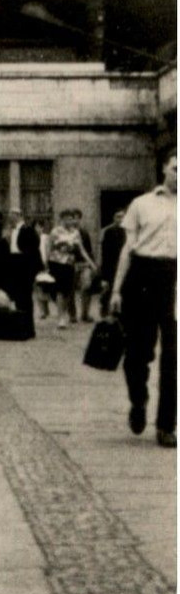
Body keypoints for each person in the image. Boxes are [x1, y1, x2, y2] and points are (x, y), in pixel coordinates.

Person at [110, 153, 177, 448]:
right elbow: (128, 249)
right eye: (176, 168)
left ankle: (166, 425)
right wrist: (116, 290)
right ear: (164, 168)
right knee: (138, 352)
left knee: (173, 355)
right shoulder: (142, 204)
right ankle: (139, 400)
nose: (179, 174)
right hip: (142, 276)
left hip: (174, 276)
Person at [44, 209, 93, 329]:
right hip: (56, 262)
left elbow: (81, 249)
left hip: (70, 263)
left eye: (71, 218)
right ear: (61, 219)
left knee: (67, 291)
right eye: (66, 218)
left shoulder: (75, 232)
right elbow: (49, 246)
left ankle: (63, 313)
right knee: (60, 290)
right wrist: (45, 262)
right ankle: (61, 318)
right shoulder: (56, 231)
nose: (69, 221)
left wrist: (91, 262)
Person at [3, 209, 43, 340]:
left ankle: (28, 328)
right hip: (14, 262)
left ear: (19, 216)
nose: (10, 217)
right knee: (18, 296)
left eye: (12, 215)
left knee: (25, 296)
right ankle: (21, 326)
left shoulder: (27, 229)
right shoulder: (12, 230)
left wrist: (31, 267)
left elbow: (33, 248)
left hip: (24, 264)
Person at [99, 209, 127, 319]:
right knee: (109, 289)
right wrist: (104, 274)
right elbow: (105, 253)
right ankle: (106, 310)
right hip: (112, 265)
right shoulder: (109, 232)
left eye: (123, 217)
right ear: (114, 218)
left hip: (125, 265)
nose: (120, 220)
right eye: (118, 217)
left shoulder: (130, 232)